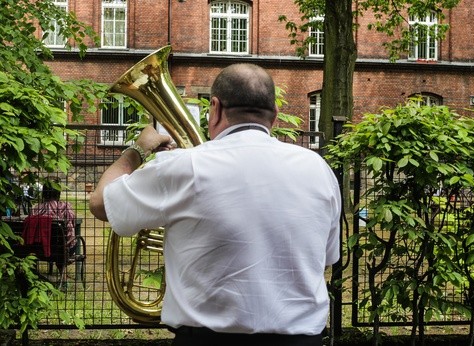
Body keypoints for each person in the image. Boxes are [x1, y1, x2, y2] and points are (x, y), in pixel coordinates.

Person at [89, 63, 341, 346]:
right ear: (275, 116)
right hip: (302, 341)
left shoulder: (185, 166)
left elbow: (100, 202)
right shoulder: (318, 168)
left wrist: (137, 150)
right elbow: (328, 258)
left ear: (215, 108)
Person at [32, 178, 77, 253]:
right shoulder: (65, 206)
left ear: (44, 193)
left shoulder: (36, 208)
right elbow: (72, 221)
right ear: (58, 193)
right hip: (61, 248)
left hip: (40, 248)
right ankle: (62, 261)